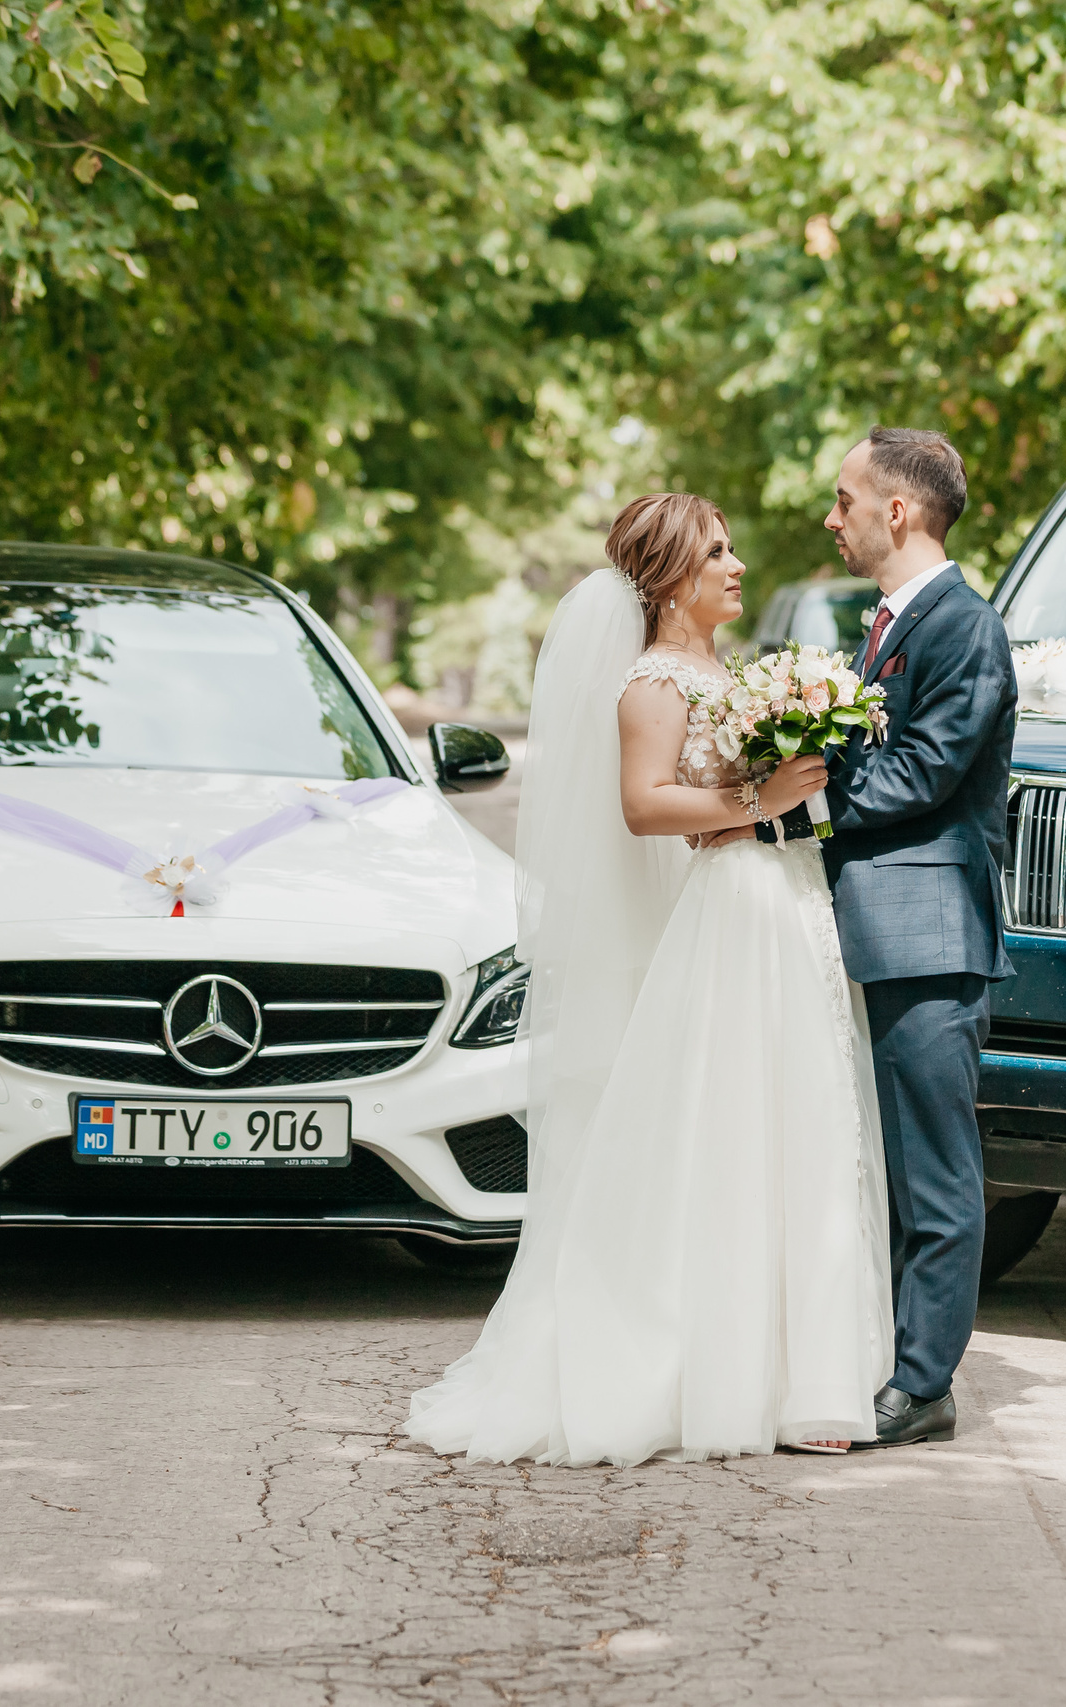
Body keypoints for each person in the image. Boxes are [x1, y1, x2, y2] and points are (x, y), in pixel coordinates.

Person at [406, 492, 892, 1466]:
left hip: (779, 902)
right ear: (670, 573)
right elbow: (642, 805)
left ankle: (804, 1367)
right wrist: (762, 797)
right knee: (730, 1122)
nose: (736, 565)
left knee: (793, 1117)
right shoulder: (654, 681)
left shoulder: (726, 670)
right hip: (731, 913)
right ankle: (704, 1366)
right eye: (717, 552)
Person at [819, 427, 1019, 1449]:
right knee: (883, 1163)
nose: (833, 518)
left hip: (929, 936)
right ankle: (886, 1350)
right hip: (876, 928)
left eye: (845, 499)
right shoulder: (892, 624)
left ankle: (923, 1382)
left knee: (934, 1168)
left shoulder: (965, 629)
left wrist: (795, 807)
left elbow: (922, 775)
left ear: (897, 510)